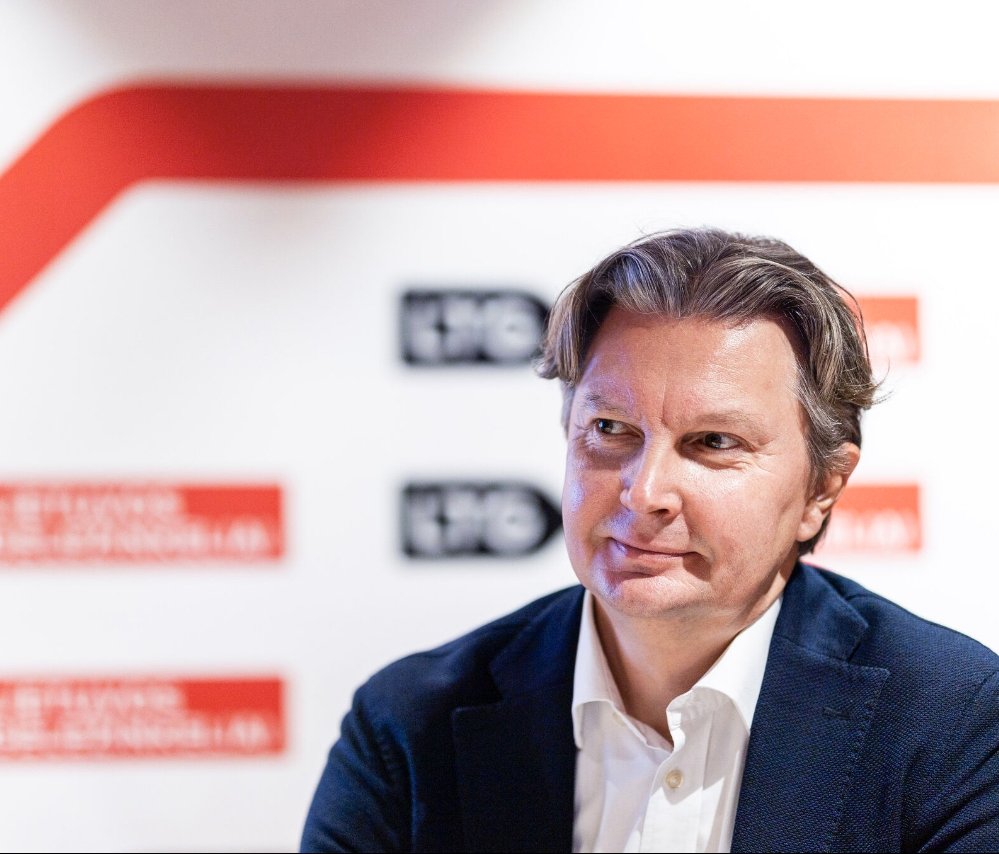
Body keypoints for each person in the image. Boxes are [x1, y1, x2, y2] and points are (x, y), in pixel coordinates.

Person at [302, 228, 999, 853]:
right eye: (610, 430)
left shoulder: (953, 722)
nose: (644, 492)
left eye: (713, 442)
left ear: (822, 488)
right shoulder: (407, 728)